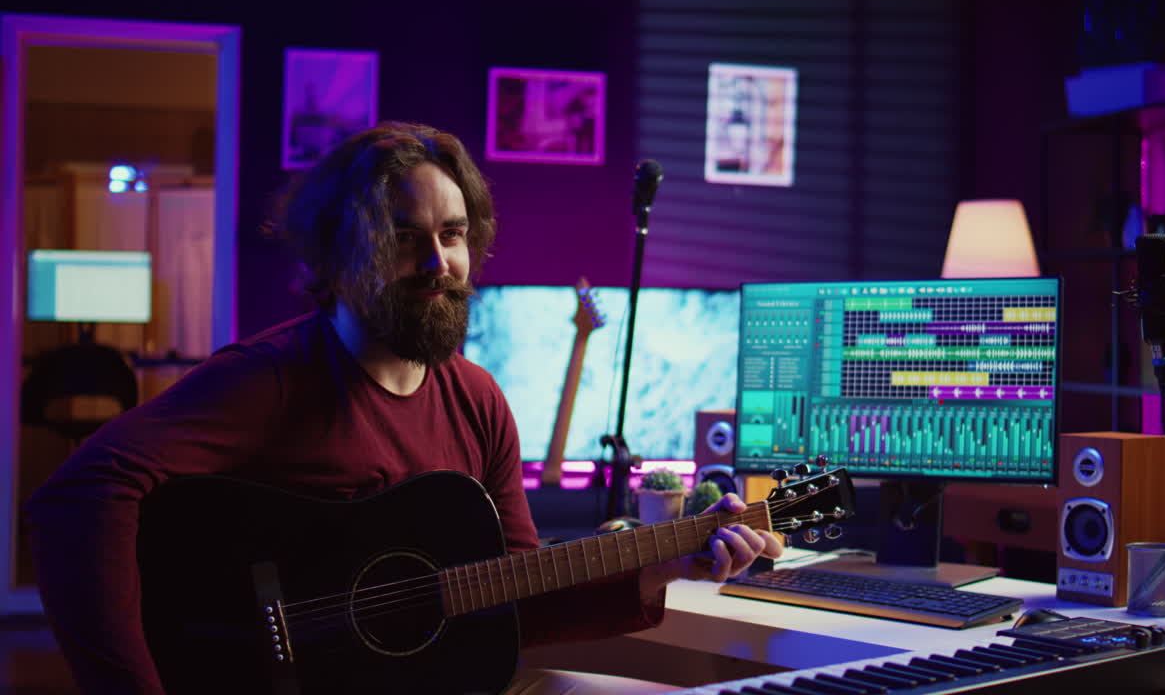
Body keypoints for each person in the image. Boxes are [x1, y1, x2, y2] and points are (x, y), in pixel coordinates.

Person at [24, 121, 783, 695]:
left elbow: (512, 594)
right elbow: (78, 497)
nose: (437, 262)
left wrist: (665, 565)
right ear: (341, 252)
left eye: (453, 236)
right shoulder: (271, 380)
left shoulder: (478, 400)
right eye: (403, 237)